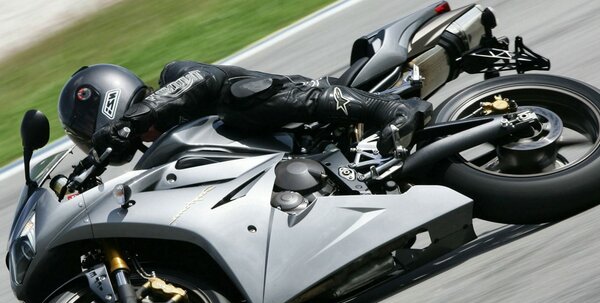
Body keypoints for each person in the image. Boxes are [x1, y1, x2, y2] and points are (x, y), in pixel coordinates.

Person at [58, 63, 432, 166]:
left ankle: (390, 108)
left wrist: (130, 122)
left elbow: (204, 80)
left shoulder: (175, 77)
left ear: (108, 101)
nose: (89, 136)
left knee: (236, 96)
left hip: (304, 101)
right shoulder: (163, 151)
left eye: (87, 127)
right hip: (290, 158)